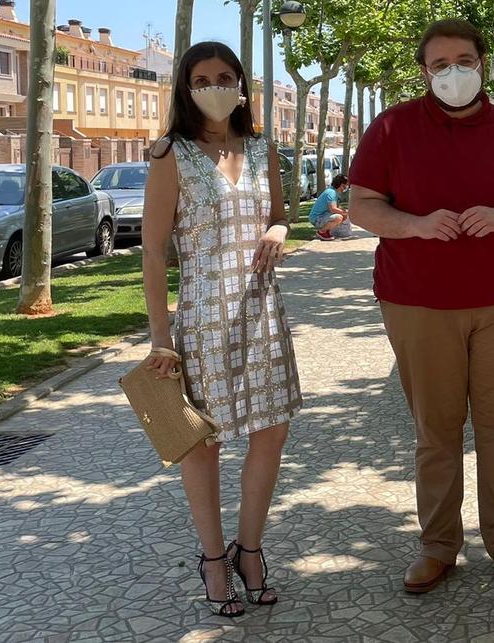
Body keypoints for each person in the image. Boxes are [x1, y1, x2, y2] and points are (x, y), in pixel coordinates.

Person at [349, 18, 494, 595]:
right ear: (424, 71)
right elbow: (362, 205)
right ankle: (438, 545)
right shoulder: (392, 128)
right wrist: (416, 226)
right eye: (440, 64)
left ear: (482, 65)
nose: (453, 73)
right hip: (418, 302)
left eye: (463, 61)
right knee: (435, 432)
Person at [141, 41, 303, 618]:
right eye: (202, 78)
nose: (214, 86)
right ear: (186, 88)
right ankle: (213, 557)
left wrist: (280, 232)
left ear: (241, 85)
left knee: (271, 433)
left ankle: (250, 549)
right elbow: (154, 253)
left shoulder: (262, 149)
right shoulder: (170, 154)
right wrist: (161, 337)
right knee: (201, 441)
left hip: (262, 313)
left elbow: (281, 215)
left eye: (225, 76)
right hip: (203, 319)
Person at [311, 174, 351, 241]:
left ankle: (327, 231)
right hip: (317, 218)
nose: (346, 187)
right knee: (338, 217)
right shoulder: (331, 193)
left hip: (323, 216)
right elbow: (333, 209)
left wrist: (344, 212)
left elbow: (337, 207)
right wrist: (346, 212)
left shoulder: (334, 192)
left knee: (342, 215)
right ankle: (321, 232)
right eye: (345, 185)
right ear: (341, 185)